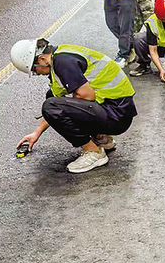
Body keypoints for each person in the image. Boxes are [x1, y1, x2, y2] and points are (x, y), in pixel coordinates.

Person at [10, 38, 137, 174]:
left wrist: (65, 106)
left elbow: (86, 96)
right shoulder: (60, 54)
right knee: (52, 98)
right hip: (118, 110)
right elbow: (59, 100)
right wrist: (36, 133)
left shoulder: (62, 62)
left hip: (117, 116)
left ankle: (93, 152)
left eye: (34, 70)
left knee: (52, 106)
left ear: (41, 59)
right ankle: (101, 138)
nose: (37, 74)